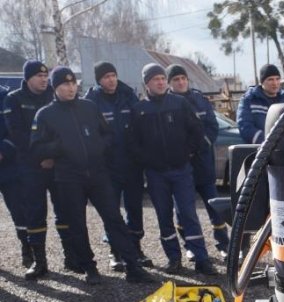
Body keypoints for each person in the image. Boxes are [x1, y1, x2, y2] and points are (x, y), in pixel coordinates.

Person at [30, 66, 155, 285]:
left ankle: (133, 267)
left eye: (73, 83)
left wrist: (98, 146)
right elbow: (36, 148)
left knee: (114, 219)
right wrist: (59, 147)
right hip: (69, 178)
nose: (71, 88)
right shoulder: (46, 115)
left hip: (98, 174)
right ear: (55, 87)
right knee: (77, 224)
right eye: (65, 84)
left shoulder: (89, 107)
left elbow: (107, 134)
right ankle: (89, 268)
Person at [129, 63, 217, 275]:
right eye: (155, 79)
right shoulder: (139, 110)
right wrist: (148, 160)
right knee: (164, 216)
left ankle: (201, 259)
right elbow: (133, 143)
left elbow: (196, 131)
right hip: (156, 174)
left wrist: (188, 152)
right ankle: (174, 258)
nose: (160, 82)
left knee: (188, 214)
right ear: (146, 84)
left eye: (162, 78)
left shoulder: (179, 103)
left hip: (181, 170)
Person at [3, 60, 76, 279]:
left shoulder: (53, 96)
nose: (44, 80)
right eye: (39, 76)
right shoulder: (14, 99)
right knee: (35, 213)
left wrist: (52, 156)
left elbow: (63, 131)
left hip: (56, 164)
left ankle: (71, 257)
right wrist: (41, 157)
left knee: (64, 210)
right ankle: (39, 262)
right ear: (28, 79)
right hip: (30, 167)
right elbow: (17, 134)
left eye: (46, 76)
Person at [85, 61, 151, 271]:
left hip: (131, 164)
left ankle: (136, 248)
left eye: (113, 75)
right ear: (99, 80)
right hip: (107, 167)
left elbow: (141, 125)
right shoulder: (91, 101)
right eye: (106, 77)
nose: (111, 80)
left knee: (134, 208)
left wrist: (140, 153)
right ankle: (115, 251)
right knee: (111, 211)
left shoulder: (128, 95)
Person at [166, 64, 230, 258]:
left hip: (203, 163)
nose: (181, 82)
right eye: (176, 79)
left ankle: (224, 244)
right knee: (183, 209)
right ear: (169, 83)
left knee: (215, 207)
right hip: (181, 165)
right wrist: (183, 152)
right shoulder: (166, 103)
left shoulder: (200, 100)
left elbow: (212, 126)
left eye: (183, 78)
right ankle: (189, 246)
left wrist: (200, 145)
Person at [0, 85, 30, 269]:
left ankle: (28, 249)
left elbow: (16, 130)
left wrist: (3, 151)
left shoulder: (7, 98)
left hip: (9, 167)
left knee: (19, 211)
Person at [237, 64, 284, 144]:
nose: (275, 83)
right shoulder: (249, 100)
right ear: (262, 82)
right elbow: (245, 127)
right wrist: (268, 142)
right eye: (270, 79)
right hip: (260, 148)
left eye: (277, 79)